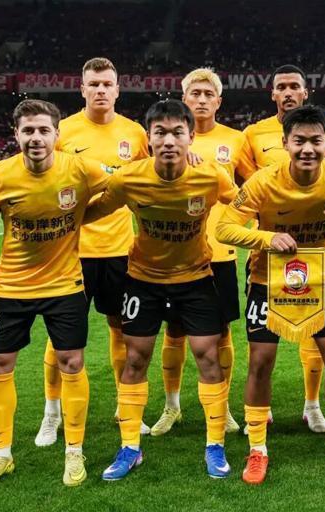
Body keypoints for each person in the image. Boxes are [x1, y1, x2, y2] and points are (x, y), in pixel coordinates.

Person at [216, 105, 325, 485]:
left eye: (316, 140)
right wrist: (267, 238)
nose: (307, 149)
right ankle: (257, 448)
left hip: (318, 278)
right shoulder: (263, 182)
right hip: (267, 280)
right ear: (285, 143)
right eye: (299, 140)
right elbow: (224, 228)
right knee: (261, 361)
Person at [92, 100, 237, 480]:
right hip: (143, 281)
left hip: (196, 279)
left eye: (177, 133)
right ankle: (129, 448)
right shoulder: (129, 179)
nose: (169, 141)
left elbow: (244, 203)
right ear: (149, 138)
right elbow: (94, 210)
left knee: (208, 358)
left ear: (191, 137)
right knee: (135, 360)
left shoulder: (211, 176)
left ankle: (215, 445)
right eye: (161, 133)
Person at [0, 99, 110, 489]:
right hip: (11, 286)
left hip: (65, 284)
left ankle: (74, 450)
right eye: (28, 130)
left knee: (71, 361)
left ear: (56, 135)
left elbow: (119, 188)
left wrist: (83, 216)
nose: (36, 138)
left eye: (43, 130)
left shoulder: (78, 168)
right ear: (16, 134)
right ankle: (1, 455)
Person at [35, 57, 152, 447]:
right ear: (82, 89)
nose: (100, 90)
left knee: (122, 329)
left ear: (118, 89)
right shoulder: (64, 131)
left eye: (107, 84)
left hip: (120, 251)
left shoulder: (135, 134)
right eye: (94, 84)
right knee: (60, 336)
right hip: (72, 252)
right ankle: (52, 414)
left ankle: (124, 407)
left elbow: (147, 182)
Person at [149, 67, 245, 437]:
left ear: (219, 101)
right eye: (195, 93)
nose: (202, 100)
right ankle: (171, 406)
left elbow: (250, 190)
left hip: (220, 253)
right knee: (173, 330)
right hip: (174, 254)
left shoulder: (236, 140)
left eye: (208, 94)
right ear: (184, 98)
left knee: (221, 332)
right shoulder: (166, 139)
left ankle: (223, 406)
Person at [238, 64, 325, 432]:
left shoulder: (319, 134)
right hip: (268, 255)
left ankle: (313, 404)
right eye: (282, 87)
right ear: (272, 93)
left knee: (315, 335)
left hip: (312, 252)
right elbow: (239, 184)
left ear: (305, 93)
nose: (288, 92)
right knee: (262, 346)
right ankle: (261, 411)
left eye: (295, 86)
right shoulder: (253, 134)